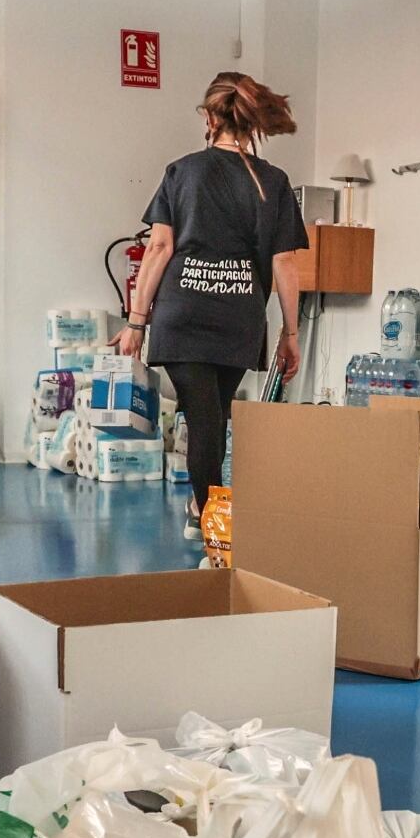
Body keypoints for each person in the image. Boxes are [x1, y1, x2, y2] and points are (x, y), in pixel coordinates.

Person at [116, 71, 308, 537]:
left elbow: (159, 249)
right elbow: (284, 264)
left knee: (209, 418)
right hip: (239, 319)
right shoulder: (274, 182)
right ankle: (209, 516)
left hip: (184, 317)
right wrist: (289, 333)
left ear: (208, 118)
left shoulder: (182, 172)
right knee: (209, 419)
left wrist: (136, 322)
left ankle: (210, 521)